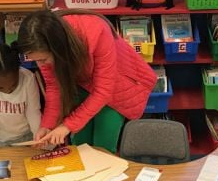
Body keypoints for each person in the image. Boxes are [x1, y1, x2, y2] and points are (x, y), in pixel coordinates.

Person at [16, 9, 157, 153]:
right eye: (36, 60)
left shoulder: (96, 31)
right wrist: (47, 125)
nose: (41, 65)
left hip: (117, 89)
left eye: (43, 60)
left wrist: (66, 126)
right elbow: (54, 87)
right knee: (81, 145)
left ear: (57, 48)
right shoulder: (45, 48)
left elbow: (103, 91)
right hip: (84, 84)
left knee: (103, 147)